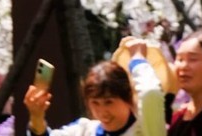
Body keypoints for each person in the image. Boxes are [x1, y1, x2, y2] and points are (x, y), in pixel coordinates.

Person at [25, 46, 168, 136]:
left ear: (128, 97)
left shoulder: (147, 129)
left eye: (109, 102)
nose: (102, 112)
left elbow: (151, 93)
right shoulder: (83, 130)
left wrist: (137, 58)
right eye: (95, 103)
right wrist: (36, 116)